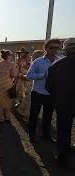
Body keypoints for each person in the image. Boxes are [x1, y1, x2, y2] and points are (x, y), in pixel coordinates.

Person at [45, 38, 75, 168]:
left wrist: (59, 96)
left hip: (64, 104)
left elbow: (48, 87)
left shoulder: (56, 65)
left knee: (63, 131)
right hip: (65, 102)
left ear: (65, 49)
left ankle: (62, 160)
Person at [26, 39, 61, 143]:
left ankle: (46, 135)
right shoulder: (38, 61)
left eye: (57, 48)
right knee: (34, 115)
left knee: (48, 116)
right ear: (45, 48)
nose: (54, 50)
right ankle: (31, 136)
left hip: (51, 94)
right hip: (38, 92)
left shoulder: (60, 61)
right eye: (52, 47)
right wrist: (43, 75)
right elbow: (29, 76)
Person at [0, 50, 18, 122]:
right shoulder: (12, 64)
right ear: (8, 56)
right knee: (8, 101)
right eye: (11, 55)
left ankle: (0, 118)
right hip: (8, 84)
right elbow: (14, 75)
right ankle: (7, 117)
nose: (12, 56)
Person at [18, 50, 44, 117]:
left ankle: (27, 115)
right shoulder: (41, 64)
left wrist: (22, 76)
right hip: (38, 86)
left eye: (34, 55)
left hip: (34, 86)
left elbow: (30, 76)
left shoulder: (37, 64)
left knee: (30, 100)